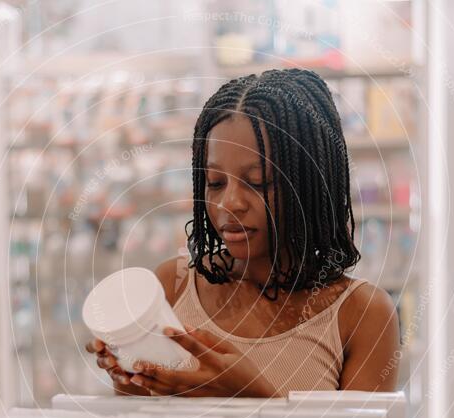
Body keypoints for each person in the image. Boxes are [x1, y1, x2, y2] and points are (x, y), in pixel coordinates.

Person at [87, 68, 400, 397]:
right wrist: (132, 382)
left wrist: (249, 394)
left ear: (311, 183)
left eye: (258, 181)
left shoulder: (363, 314)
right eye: (215, 183)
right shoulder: (172, 287)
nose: (230, 203)